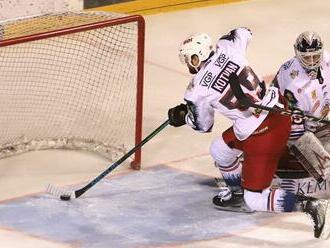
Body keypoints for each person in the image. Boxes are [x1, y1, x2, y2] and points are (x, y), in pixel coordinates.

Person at [167, 27, 330, 239]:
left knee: (254, 199)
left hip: (260, 134)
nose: (191, 63)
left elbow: (203, 126)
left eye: (193, 58)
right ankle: (236, 194)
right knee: (219, 150)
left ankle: (309, 204)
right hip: (278, 111)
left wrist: (184, 116)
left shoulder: (195, 90)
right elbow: (244, 31)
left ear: (202, 54)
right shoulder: (229, 46)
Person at [272, 31, 330, 198]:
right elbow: (295, 131)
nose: (312, 61)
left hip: (317, 122)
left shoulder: (326, 60)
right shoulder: (293, 83)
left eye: (315, 56)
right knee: (304, 141)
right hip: (293, 129)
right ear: (297, 54)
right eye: (306, 57)